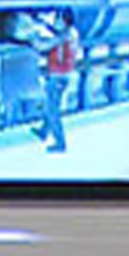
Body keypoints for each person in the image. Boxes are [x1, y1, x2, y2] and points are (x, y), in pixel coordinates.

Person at [32, 8, 81, 153]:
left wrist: (34, 40)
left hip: (58, 75)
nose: (56, 21)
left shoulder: (64, 36)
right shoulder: (72, 33)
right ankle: (44, 131)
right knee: (51, 105)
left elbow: (44, 46)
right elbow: (56, 33)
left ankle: (60, 143)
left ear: (63, 20)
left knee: (52, 109)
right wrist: (44, 24)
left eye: (58, 18)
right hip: (63, 74)